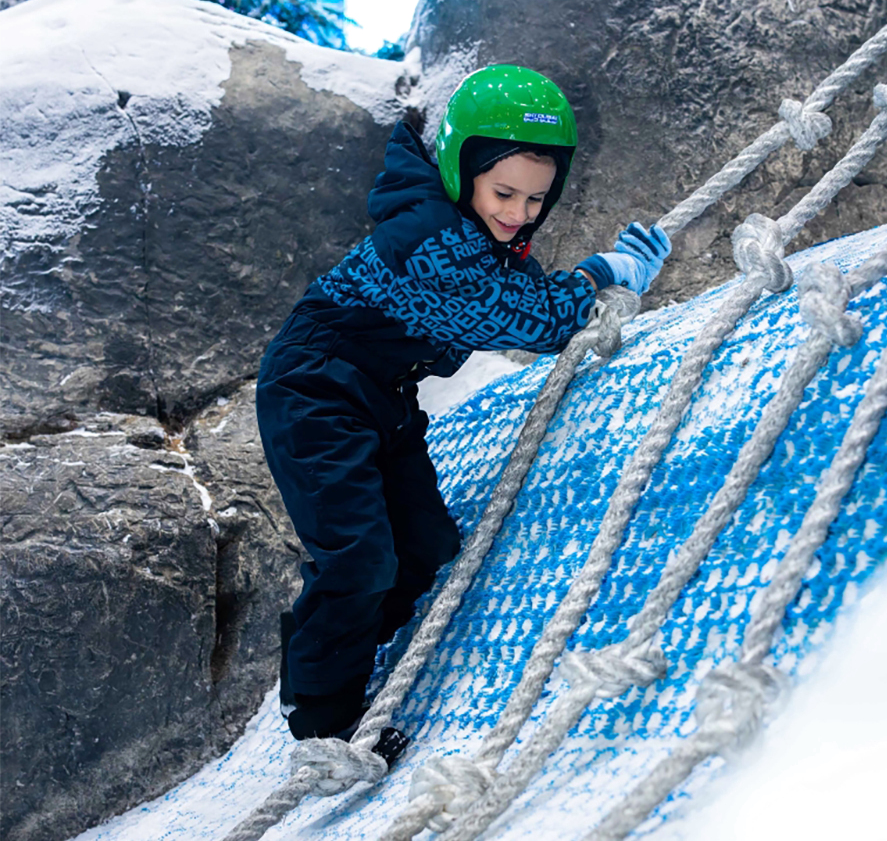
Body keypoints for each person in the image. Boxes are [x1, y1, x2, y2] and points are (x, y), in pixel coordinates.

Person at [255, 65, 671, 746]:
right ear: (460, 168)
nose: (519, 212)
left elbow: (531, 296)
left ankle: (327, 650)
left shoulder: (481, 234)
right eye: (505, 192)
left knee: (423, 544)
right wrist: (602, 274)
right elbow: (531, 319)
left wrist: (598, 285)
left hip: (378, 394)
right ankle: (323, 717)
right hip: (316, 392)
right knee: (360, 557)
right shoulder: (429, 237)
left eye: (538, 199)